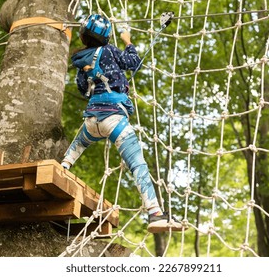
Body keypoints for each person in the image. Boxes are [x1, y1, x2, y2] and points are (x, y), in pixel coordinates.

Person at [61, 14, 184, 233]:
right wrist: (128, 41)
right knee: (137, 164)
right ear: (106, 37)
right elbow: (132, 62)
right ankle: (155, 213)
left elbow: (82, 89)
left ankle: (63, 167)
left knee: (76, 147)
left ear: (83, 37)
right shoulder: (108, 51)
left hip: (91, 121)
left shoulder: (81, 61)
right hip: (113, 119)